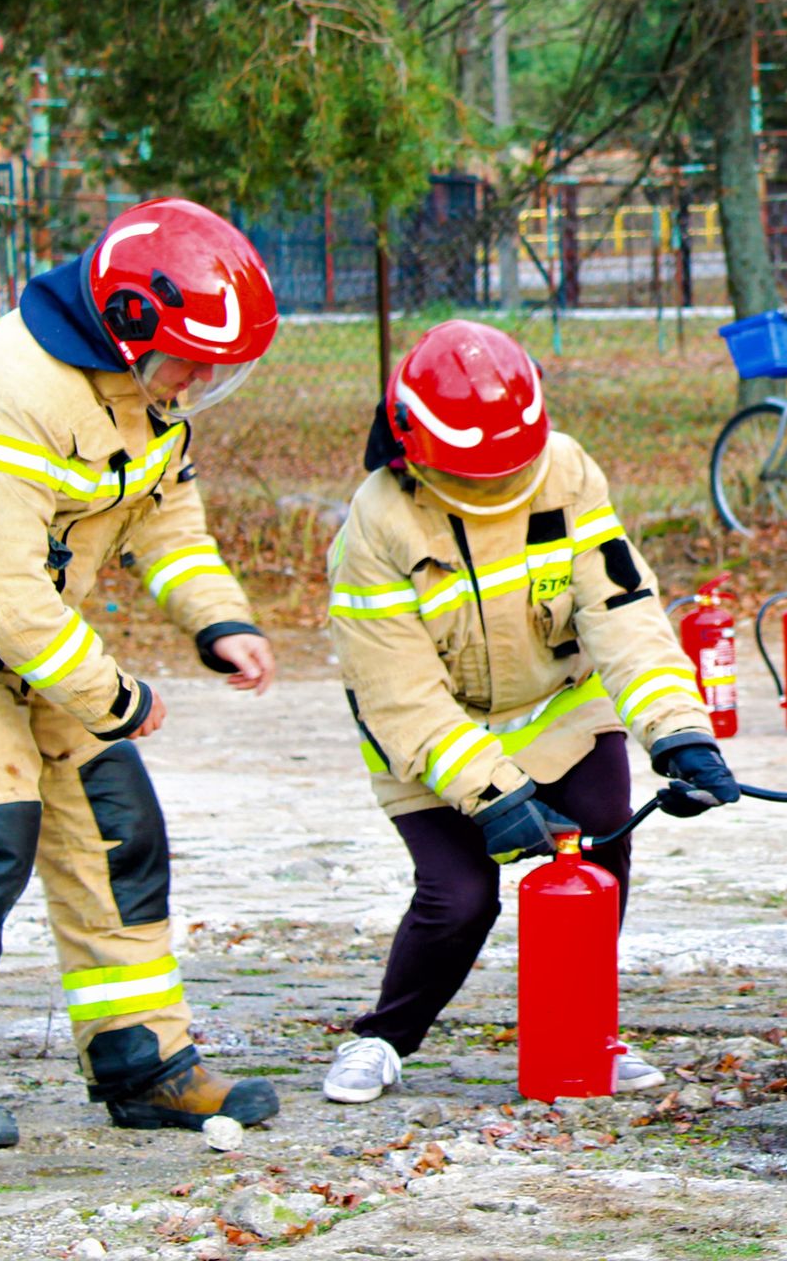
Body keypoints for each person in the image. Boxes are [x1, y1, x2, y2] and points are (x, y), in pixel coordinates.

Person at [0, 198, 285, 1146]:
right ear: (129, 323)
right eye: (193, 362)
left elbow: (165, 519)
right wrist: (114, 697)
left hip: (25, 627)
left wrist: (218, 619)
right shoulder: (9, 392)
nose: (203, 382)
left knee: (115, 831)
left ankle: (144, 1062)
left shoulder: (143, 392)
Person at [319, 320, 742, 1103]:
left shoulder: (567, 473)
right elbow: (399, 693)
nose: (501, 486)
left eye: (512, 469)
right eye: (479, 476)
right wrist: (491, 795)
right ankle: (382, 1039)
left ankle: (586, 1035)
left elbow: (621, 612)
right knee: (458, 898)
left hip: (560, 711)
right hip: (432, 737)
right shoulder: (376, 524)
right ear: (415, 449)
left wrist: (679, 733)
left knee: (600, 859)